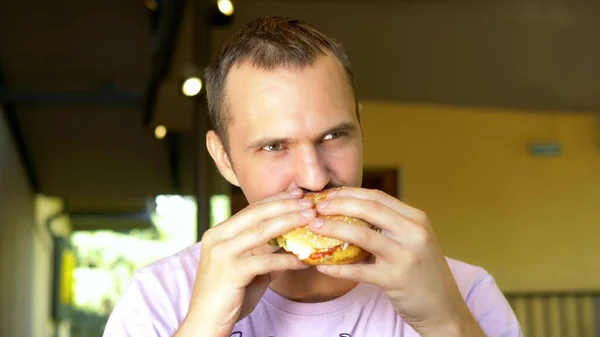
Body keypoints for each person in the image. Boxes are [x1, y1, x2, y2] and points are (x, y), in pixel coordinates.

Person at [102, 16, 522, 337]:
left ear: (360, 127)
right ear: (224, 158)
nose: (314, 178)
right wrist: (204, 325)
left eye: (334, 136)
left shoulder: (463, 290)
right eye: (274, 146)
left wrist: (446, 322)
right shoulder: (160, 297)